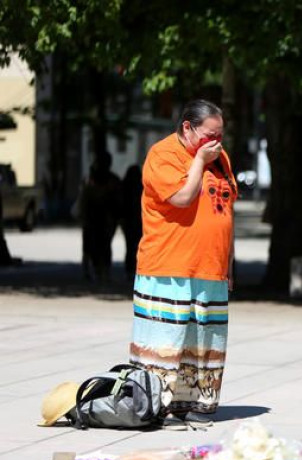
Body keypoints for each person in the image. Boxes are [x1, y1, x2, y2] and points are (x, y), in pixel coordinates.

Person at [129, 99, 236, 426]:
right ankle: (154, 406)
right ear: (187, 127)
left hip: (211, 267)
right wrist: (200, 162)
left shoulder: (220, 157)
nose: (215, 142)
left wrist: (229, 265)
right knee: (168, 342)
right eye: (208, 135)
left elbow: (226, 210)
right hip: (168, 267)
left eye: (219, 135)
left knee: (204, 342)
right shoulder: (163, 155)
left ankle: (198, 405)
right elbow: (182, 197)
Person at [79, 151, 121, 283]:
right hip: (100, 218)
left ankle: (96, 270)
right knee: (99, 245)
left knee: (96, 245)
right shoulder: (109, 180)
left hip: (99, 218)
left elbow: (84, 199)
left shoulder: (91, 180)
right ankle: (100, 271)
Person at [121, 165, 143, 281]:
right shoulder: (141, 187)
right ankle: (133, 269)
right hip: (137, 221)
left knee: (130, 246)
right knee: (135, 246)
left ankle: (130, 270)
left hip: (129, 221)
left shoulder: (125, 187)